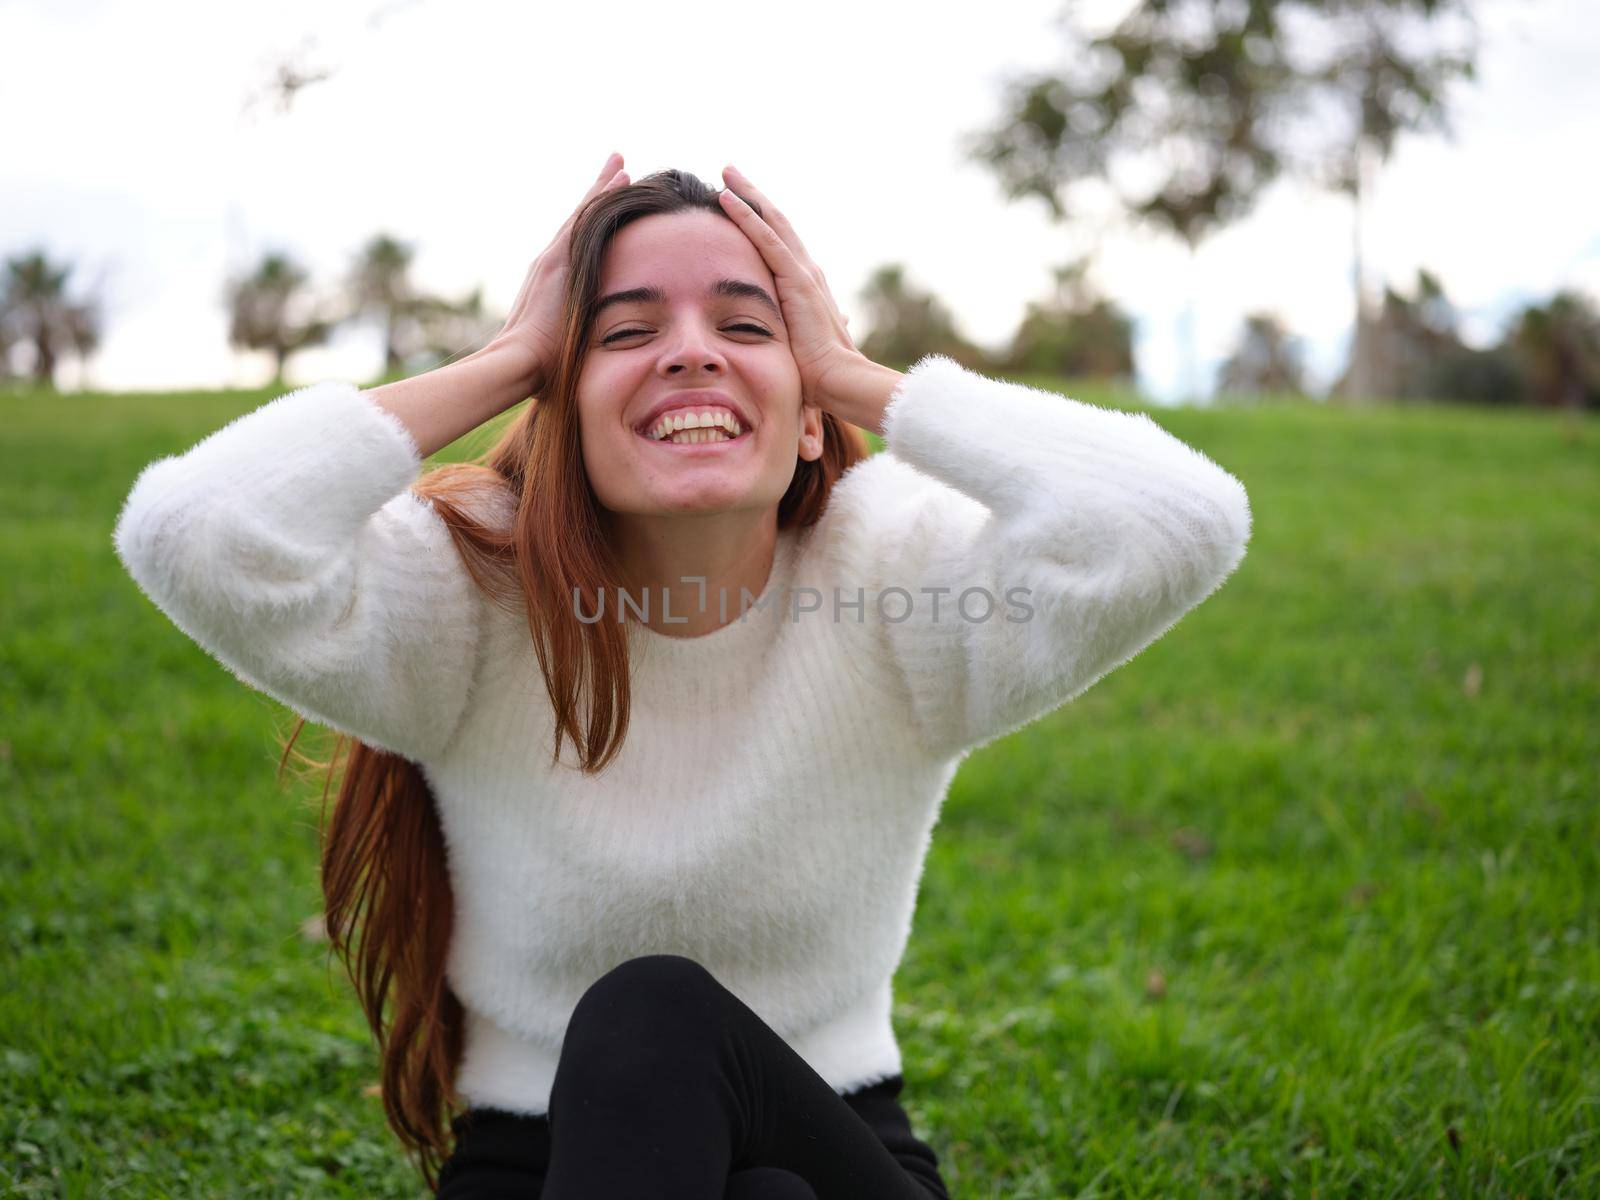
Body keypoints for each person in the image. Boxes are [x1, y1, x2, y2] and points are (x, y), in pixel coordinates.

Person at [112, 153, 1253, 1197]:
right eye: (621, 332)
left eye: (749, 327)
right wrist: (511, 357)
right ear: (561, 405)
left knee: (672, 1033)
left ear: (809, 419)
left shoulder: (895, 574)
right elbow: (192, 531)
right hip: (534, 1157)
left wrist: (856, 378)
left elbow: (1180, 519)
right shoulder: (466, 598)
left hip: (839, 1137)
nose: (692, 350)